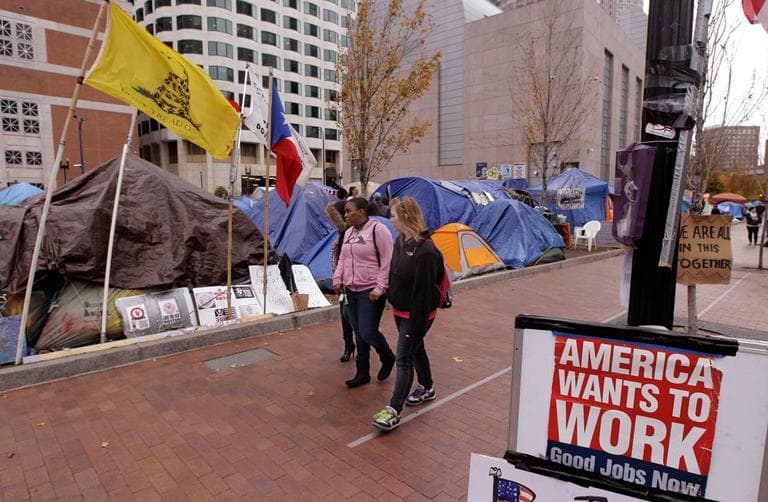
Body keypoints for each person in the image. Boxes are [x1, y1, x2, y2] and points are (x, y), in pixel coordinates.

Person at [371, 197, 444, 431]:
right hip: (400, 310)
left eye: (393, 216)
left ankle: (393, 409)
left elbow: (423, 295)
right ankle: (427, 387)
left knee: (403, 358)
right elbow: (395, 273)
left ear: (404, 217)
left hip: (417, 315)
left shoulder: (426, 251)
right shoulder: (400, 241)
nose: (390, 220)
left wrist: (415, 323)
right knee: (416, 348)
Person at [333, 197, 396, 387]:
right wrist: (338, 279)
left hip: (371, 291)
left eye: (348, 211)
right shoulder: (349, 233)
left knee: (368, 332)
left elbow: (387, 261)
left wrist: (380, 287)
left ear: (361, 212)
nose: (345, 215)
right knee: (358, 333)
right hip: (351, 289)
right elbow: (343, 259)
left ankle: (387, 357)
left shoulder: (379, 230)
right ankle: (363, 373)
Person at [325, 201, 355, 362]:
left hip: (353, 282)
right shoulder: (342, 233)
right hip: (342, 282)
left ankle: (358, 347)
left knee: (350, 316)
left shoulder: (350, 233)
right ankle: (349, 346)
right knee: (345, 316)